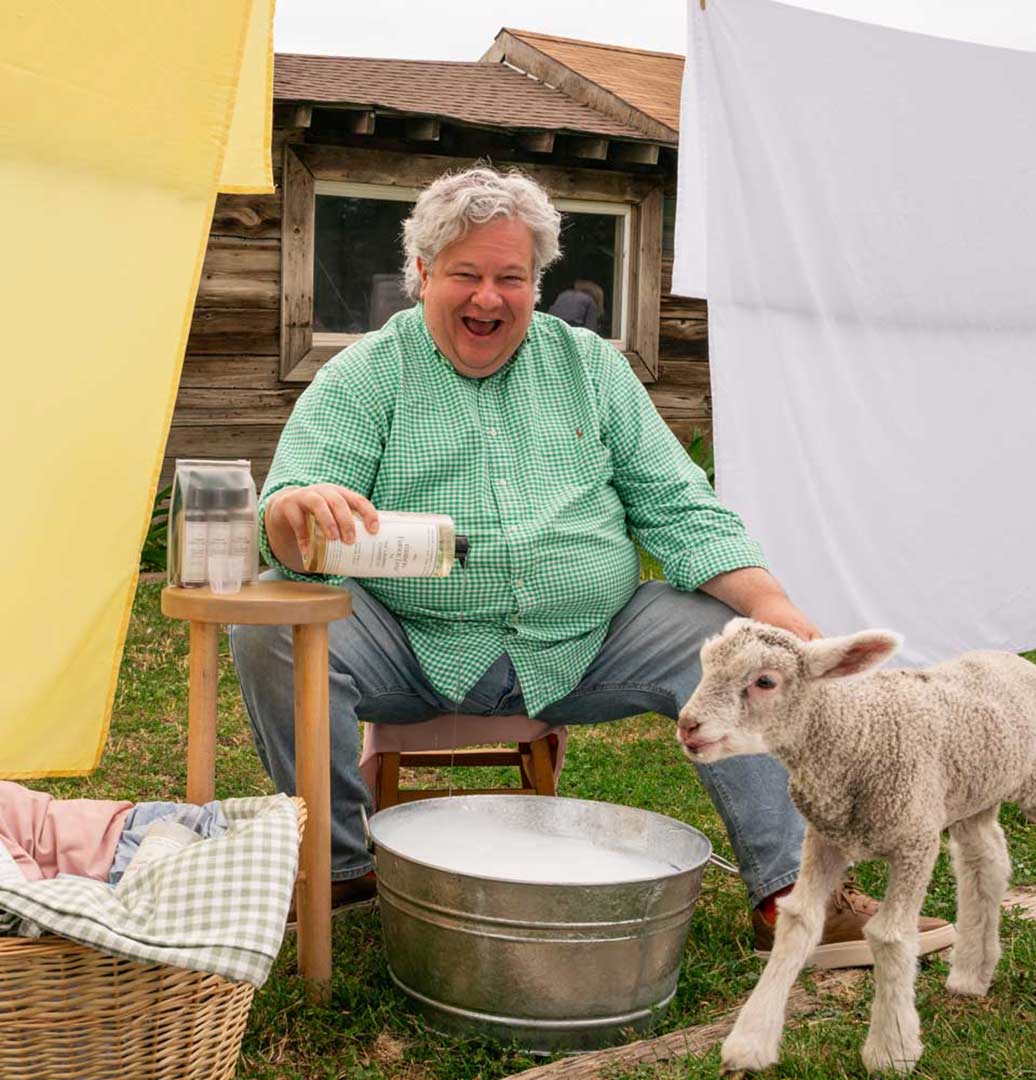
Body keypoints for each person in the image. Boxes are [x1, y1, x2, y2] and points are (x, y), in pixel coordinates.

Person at [230, 167, 953, 966]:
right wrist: (294, 513)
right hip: (413, 639)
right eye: (466, 275)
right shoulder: (364, 375)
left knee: (732, 640)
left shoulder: (591, 367)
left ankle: (794, 894)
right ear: (424, 274)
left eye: (512, 277)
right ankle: (340, 872)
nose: (489, 298)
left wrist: (774, 610)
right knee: (272, 621)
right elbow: (289, 513)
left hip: (588, 642)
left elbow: (679, 507)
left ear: (536, 284)